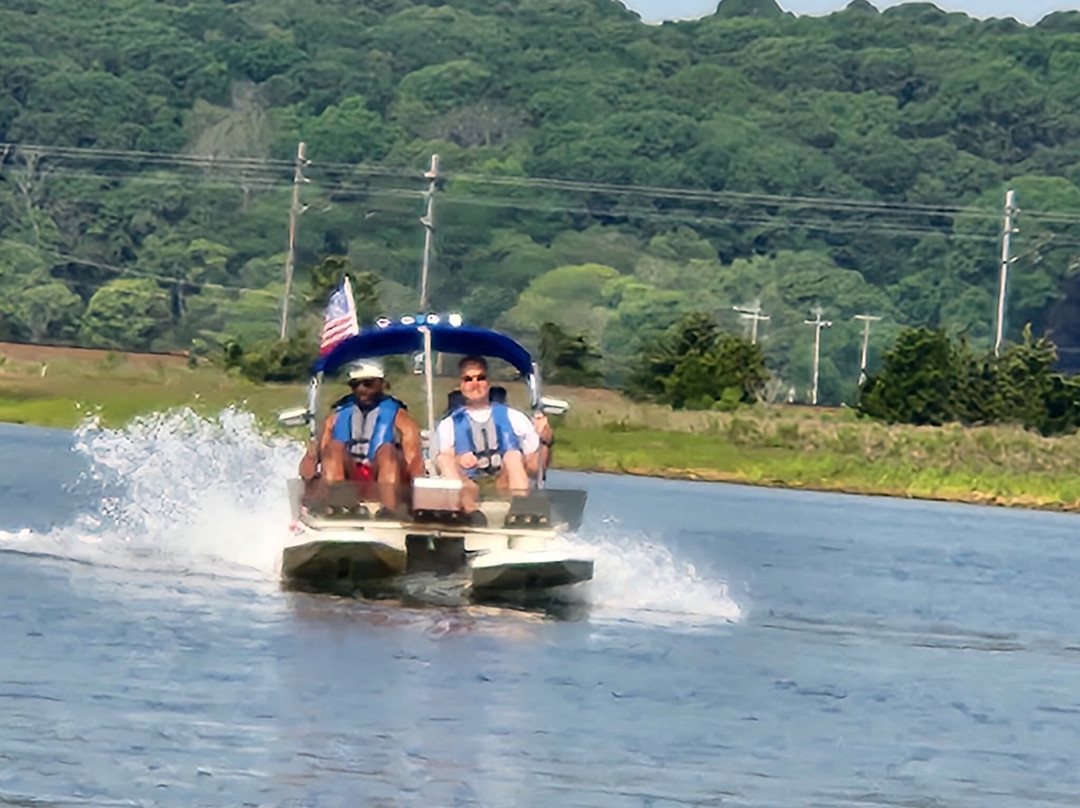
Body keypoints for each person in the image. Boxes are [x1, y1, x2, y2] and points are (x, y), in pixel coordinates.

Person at [299, 359, 424, 516]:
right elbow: (316, 460)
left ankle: (389, 511)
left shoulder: (400, 418)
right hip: (349, 478)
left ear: (382, 384)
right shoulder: (336, 417)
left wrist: (419, 498)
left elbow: (414, 461)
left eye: (368, 383)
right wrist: (310, 460)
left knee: (387, 451)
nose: (361, 389)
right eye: (355, 385)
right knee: (334, 447)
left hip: (384, 477)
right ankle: (341, 508)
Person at [436, 356, 554, 517]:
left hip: (504, 484)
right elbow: (445, 461)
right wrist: (458, 460)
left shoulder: (515, 418)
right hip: (469, 486)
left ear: (488, 382)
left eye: (480, 378)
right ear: (461, 385)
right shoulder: (449, 424)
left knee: (513, 456)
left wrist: (545, 439)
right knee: (444, 459)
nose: (475, 383)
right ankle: (469, 514)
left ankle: (520, 510)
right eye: (468, 379)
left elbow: (535, 467)